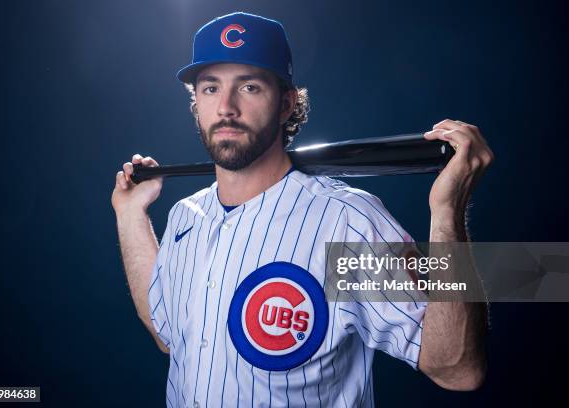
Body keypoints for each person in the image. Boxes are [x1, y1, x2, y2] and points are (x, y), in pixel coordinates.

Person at [111, 12, 492, 408]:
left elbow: (458, 369)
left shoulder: (346, 224)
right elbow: (168, 335)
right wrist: (131, 215)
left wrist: (447, 213)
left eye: (250, 87)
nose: (226, 107)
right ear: (196, 103)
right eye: (210, 88)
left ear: (286, 103)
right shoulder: (185, 217)